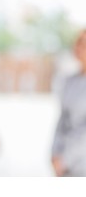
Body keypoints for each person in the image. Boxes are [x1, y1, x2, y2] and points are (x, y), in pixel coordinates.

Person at [51, 29, 86, 176]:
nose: (77, 47)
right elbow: (62, 120)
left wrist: (66, 160)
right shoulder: (69, 81)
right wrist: (54, 152)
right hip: (64, 164)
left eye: (83, 44)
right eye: (77, 43)